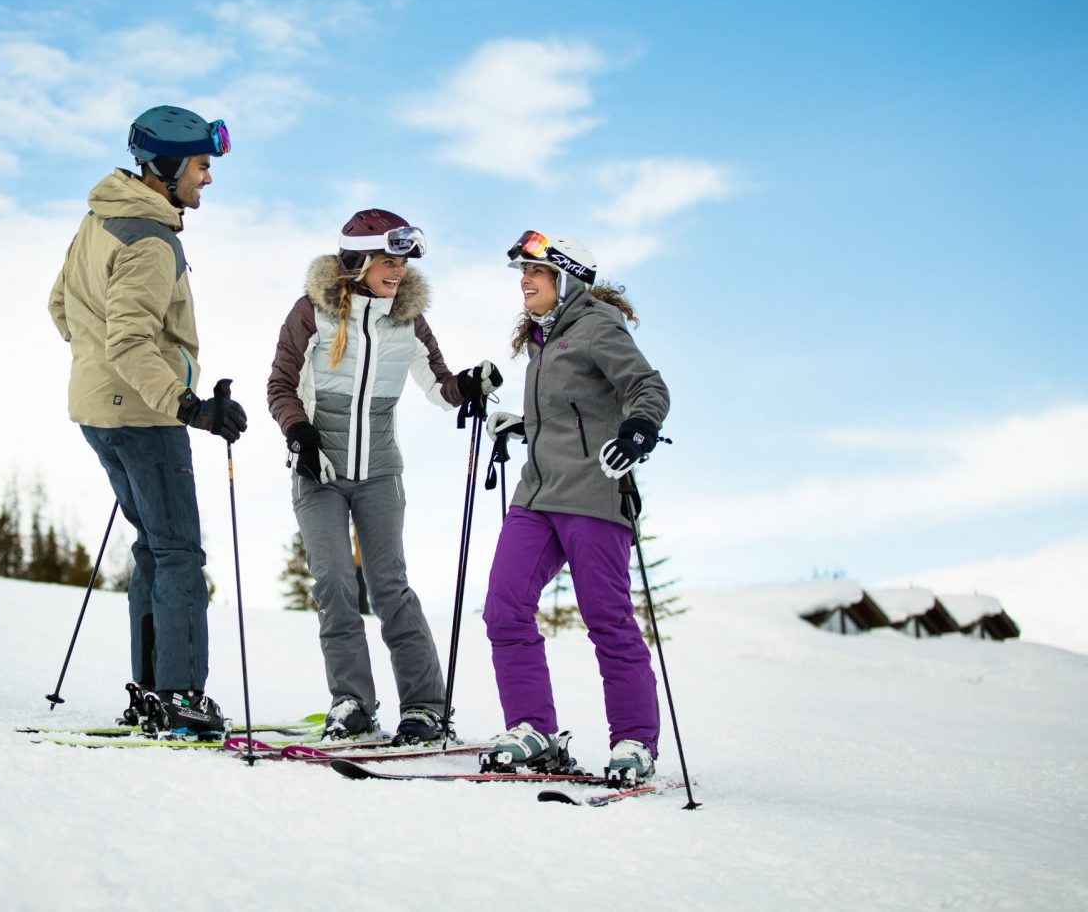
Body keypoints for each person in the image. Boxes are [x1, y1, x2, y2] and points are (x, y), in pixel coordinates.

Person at [47, 105, 248, 736]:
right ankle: (181, 698)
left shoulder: (100, 218)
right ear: (164, 167)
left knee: (154, 549)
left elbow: (61, 306)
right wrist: (191, 407)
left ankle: (152, 693)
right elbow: (130, 342)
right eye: (200, 165)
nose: (206, 178)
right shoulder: (151, 242)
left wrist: (99, 370)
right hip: (144, 416)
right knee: (180, 553)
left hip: (100, 411)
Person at [267, 208, 501, 744]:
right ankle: (352, 703)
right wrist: (299, 434)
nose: (398, 271)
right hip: (317, 470)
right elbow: (280, 383)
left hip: (378, 472)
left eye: (403, 261)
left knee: (389, 586)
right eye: (389, 260)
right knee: (334, 584)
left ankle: (424, 707)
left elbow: (441, 387)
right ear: (359, 259)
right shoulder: (311, 311)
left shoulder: (407, 317)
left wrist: (469, 383)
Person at [479, 230, 670, 786]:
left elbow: (647, 387)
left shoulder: (596, 326)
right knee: (503, 607)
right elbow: (571, 411)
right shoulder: (545, 339)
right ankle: (533, 731)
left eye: (534, 273)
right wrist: (524, 425)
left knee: (607, 619)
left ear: (564, 279)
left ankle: (634, 741)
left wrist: (638, 430)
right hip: (537, 495)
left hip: (593, 494)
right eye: (522, 273)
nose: (524, 281)